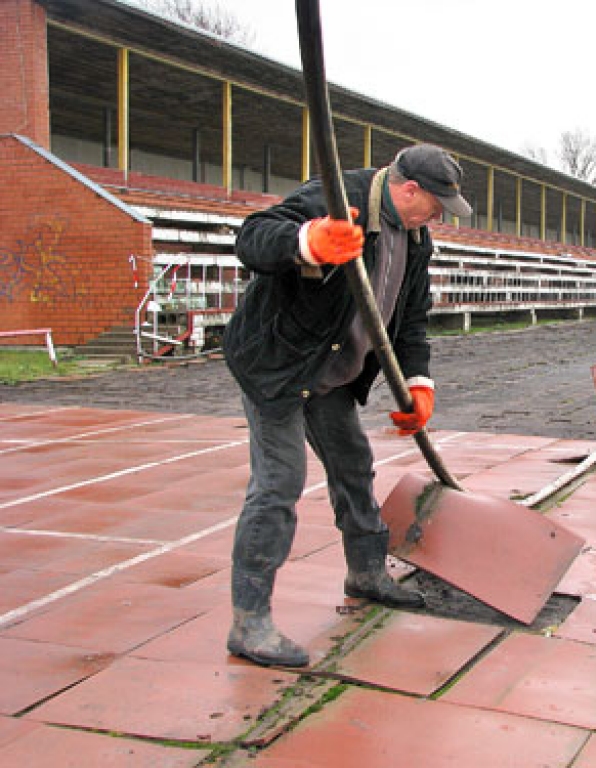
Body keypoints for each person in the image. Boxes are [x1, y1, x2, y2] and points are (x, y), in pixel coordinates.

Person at [222, 143, 472, 668]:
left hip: (331, 370)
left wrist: (419, 382)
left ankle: (366, 572)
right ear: (410, 190)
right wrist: (306, 242)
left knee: (354, 465)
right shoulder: (338, 199)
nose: (438, 218)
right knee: (279, 482)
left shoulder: (416, 238)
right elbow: (253, 237)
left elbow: (412, 318)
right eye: (435, 206)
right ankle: (250, 621)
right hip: (277, 364)